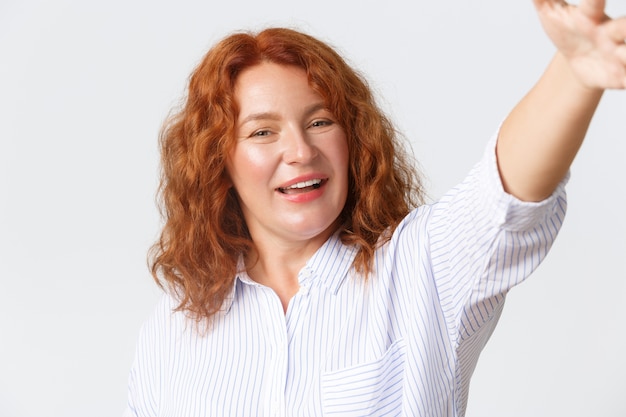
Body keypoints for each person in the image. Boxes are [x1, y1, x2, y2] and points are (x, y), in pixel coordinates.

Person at [125, 1, 626, 416]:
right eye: (262, 132)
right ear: (219, 163)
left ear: (353, 139)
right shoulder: (172, 333)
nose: (300, 150)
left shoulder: (417, 269)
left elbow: (502, 200)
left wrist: (575, 74)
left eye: (320, 121)